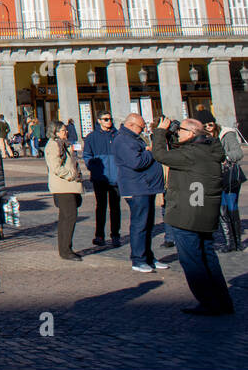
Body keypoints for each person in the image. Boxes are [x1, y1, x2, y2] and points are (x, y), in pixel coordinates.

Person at [151, 117, 234, 315]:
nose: (177, 132)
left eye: (180, 130)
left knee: (192, 261)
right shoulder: (210, 149)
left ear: (190, 133)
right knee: (208, 257)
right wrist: (171, 135)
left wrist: (160, 132)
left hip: (187, 215)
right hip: (205, 213)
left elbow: (160, 155)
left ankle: (208, 303)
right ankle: (222, 301)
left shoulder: (190, 154)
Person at [114, 112, 170, 274]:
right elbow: (136, 162)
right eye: (141, 126)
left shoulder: (133, 137)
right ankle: (138, 259)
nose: (143, 129)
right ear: (130, 125)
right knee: (140, 224)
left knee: (147, 224)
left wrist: (146, 149)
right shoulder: (123, 140)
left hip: (146, 186)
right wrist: (150, 151)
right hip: (137, 188)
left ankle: (148, 257)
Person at [45, 121, 84, 260]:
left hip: (67, 186)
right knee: (69, 217)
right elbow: (55, 167)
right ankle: (66, 250)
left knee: (66, 218)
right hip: (63, 186)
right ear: (54, 132)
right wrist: (71, 174)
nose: (65, 132)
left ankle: (65, 248)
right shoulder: (54, 145)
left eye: (66, 130)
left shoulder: (62, 144)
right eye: (62, 130)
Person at [83, 112, 122, 248]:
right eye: (106, 119)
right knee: (101, 207)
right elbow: (87, 155)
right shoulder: (92, 137)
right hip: (100, 178)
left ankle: (115, 235)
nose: (109, 121)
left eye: (110, 119)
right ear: (99, 121)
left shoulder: (118, 135)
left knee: (115, 208)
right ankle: (99, 235)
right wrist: (94, 169)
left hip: (115, 178)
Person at [219, 125, 245, 252]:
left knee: (231, 206)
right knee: (222, 209)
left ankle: (238, 241)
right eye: (204, 126)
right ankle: (229, 242)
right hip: (215, 178)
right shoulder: (203, 137)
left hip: (230, 177)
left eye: (210, 125)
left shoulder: (226, 135)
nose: (207, 127)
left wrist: (224, 156)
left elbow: (238, 153)